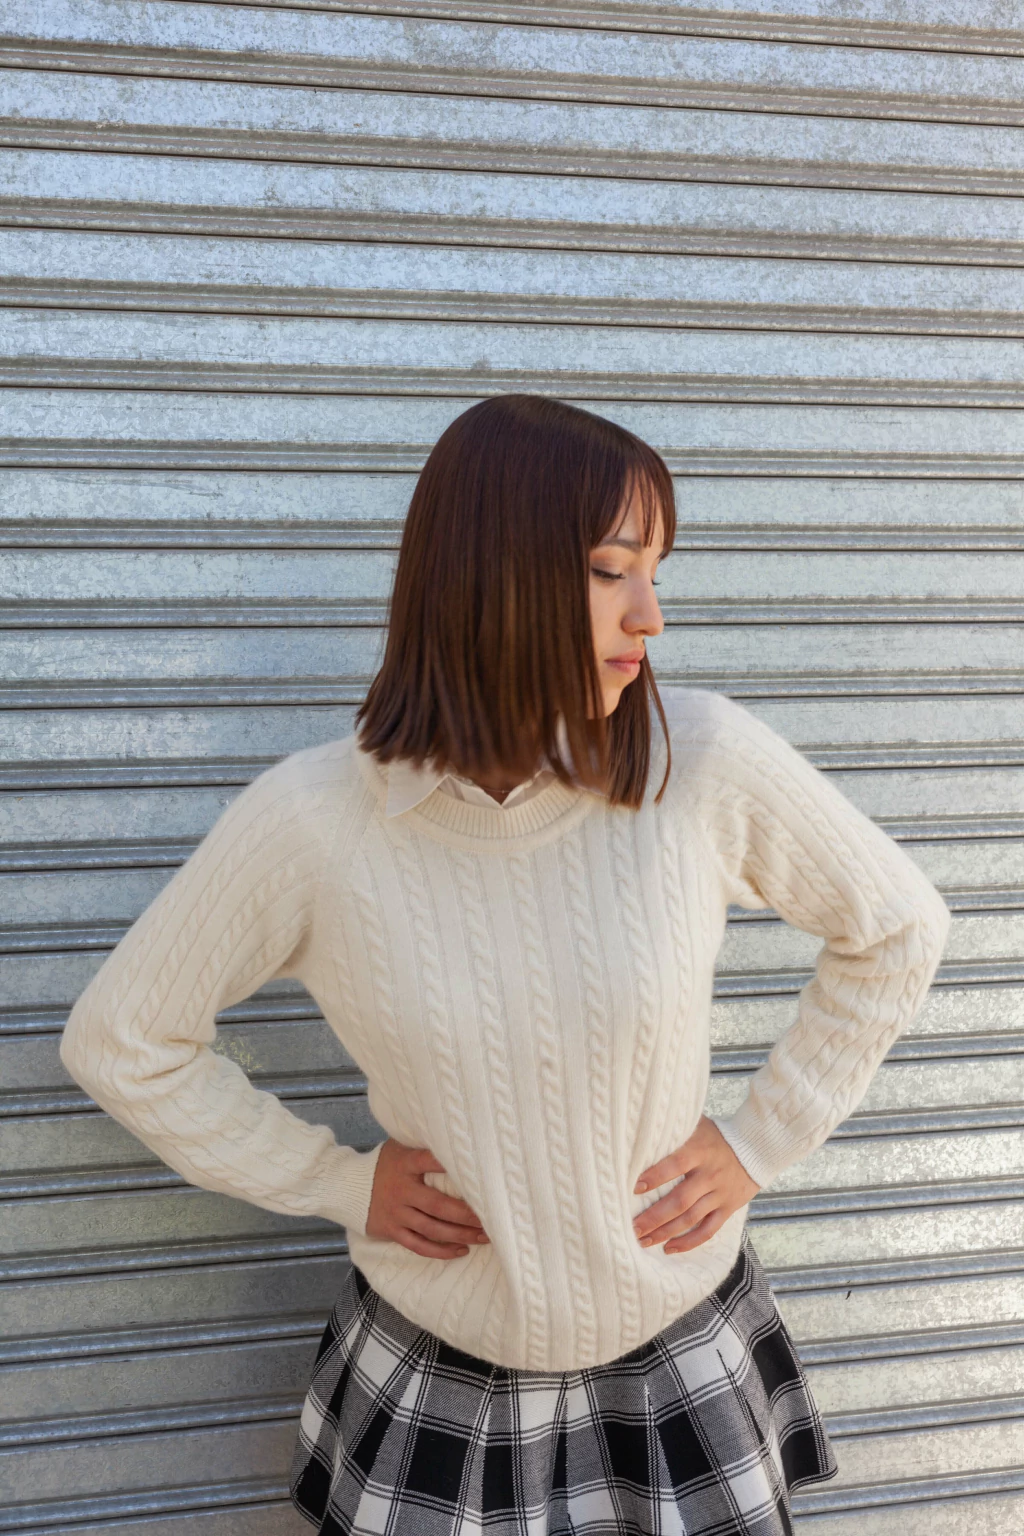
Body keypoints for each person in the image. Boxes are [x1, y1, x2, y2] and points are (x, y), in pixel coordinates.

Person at [60, 394, 950, 1535]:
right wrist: (336, 1181)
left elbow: (897, 927)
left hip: (680, 1355)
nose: (650, 614)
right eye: (610, 571)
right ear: (491, 575)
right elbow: (122, 1040)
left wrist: (759, 1140)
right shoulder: (315, 821)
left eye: (655, 573)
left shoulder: (699, 763)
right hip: (441, 1375)